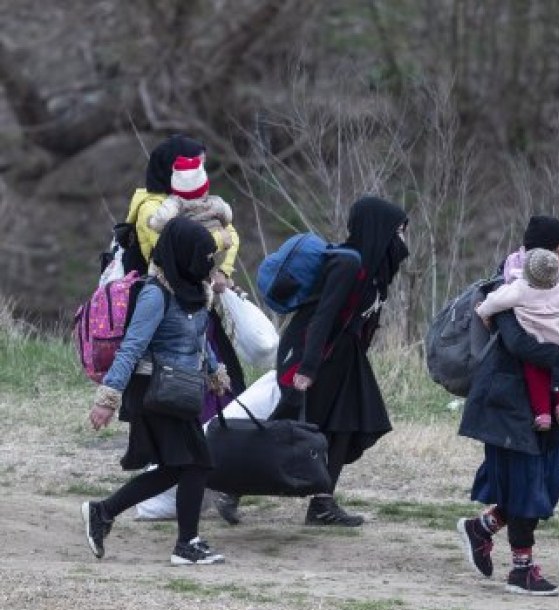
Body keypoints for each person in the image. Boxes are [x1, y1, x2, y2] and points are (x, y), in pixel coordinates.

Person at [456, 215, 559, 596]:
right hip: (509, 402)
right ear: (539, 253)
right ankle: (522, 569)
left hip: (553, 398)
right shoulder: (508, 289)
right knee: (527, 485)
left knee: (550, 485)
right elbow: (518, 343)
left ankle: (482, 527)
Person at [80, 217, 231, 565]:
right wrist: (106, 399)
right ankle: (186, 544)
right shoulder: (154, 294)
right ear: (182, 254)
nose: (207, 262)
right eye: (201, 254)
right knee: (196, 463)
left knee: (176, 467)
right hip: (154, 390)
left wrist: (214, 372)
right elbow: (132, 347)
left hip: (180, 390)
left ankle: (102, 512)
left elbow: (197, 339)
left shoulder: (195, 291)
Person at [125, 135, 248, 524]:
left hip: (198, 306)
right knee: (183, 406)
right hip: (172, 314)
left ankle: (208, 485)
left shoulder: (195, 203)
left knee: (222, 391)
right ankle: (179, 502)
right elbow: (177, 244)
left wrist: (222, 270)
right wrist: (219, 240)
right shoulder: (152, 207)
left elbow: (228, 235)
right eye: (194, 163)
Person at [268, 196, 409, 526]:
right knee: (293, 429)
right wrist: (307, 368)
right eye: (399, 231)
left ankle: (322, 503)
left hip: (346, 357)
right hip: (314, 355)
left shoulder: (374, 271)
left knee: (347, 423)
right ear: (379, 229)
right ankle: (231, 485)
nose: (402, 239)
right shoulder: (348, 263)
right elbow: (322, 316)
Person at [475, 247, 559, 431]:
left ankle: (543, 414)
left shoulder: (519, 288)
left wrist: (482, 310)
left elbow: (496, 301)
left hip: (538, 341)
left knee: (535, 374)